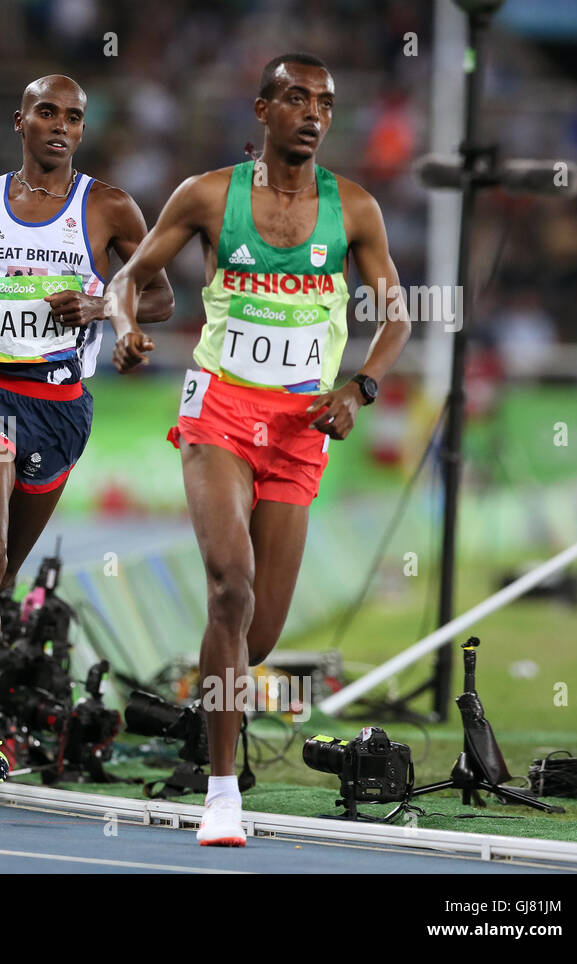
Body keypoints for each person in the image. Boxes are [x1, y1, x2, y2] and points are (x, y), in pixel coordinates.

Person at [105, 53, 411, 845]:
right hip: (221, 411)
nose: (314, 114)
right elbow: (127, 278)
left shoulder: (359, 211)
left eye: (327, 103)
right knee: (230, 588)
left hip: (303, 424)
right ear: (263, 109)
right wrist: (127, 328)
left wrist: (360, 387)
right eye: (298, 99)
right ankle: (221, 792)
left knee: (260, 632)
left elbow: (397, 316)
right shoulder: (208, 195)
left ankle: (197, 713)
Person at [0, 75, 173, 790]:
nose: (61, 126)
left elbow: (155, 292)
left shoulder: (108, 206)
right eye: (47, 112)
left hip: (60, 406)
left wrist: (101, 305)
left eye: (73, 117)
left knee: (0, 576)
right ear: (21, 121)